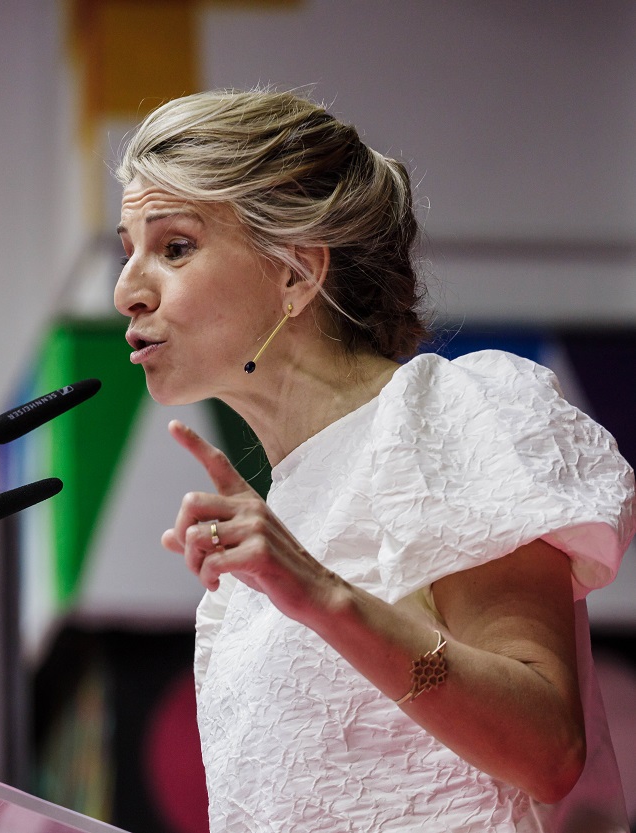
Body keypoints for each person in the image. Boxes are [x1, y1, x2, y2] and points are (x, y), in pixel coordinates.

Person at [112, 88, 635, 833]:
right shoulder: (263, 555)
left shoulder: (446, 415)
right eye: (126, 251)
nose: (126, 290)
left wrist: (322, 595)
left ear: (296, 272)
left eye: (173, 247)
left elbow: (547, 749)